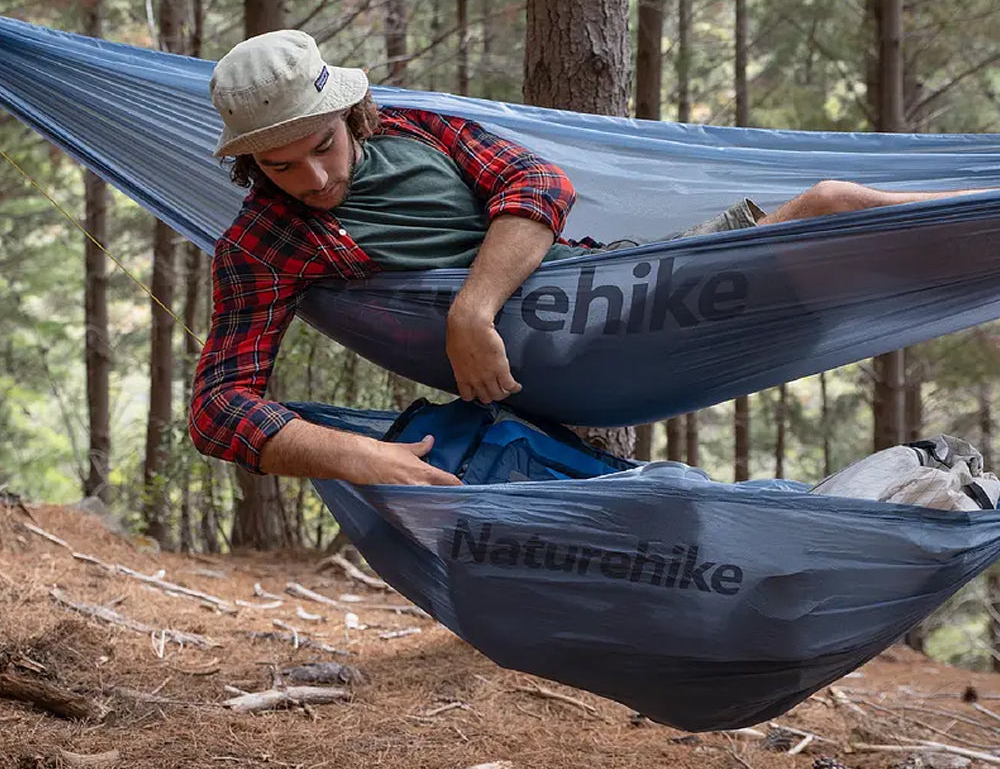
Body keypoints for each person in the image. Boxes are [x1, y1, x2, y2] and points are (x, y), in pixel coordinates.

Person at [189, 29, 982, 486]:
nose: (315, 180)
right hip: (600, 330)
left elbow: (539, 184)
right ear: (250, 165)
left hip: (632, 282)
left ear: (347, 112)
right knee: (831, 211)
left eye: (321, 146)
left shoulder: (416, 130)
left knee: (837, 217)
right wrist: (359, 457)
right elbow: (218, 406)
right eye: (280, 166)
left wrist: (473, 307)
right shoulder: (264, 243)